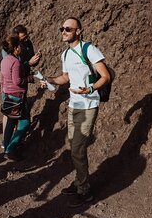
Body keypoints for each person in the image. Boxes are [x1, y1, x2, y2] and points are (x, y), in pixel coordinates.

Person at [41, 17, 111, 207]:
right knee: (74, 148)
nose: (63, 31)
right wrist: (49, 80)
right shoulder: (65, 54)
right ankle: (80, 181)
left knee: (78, 149)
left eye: (68, 29)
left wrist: (89, 89)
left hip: (89, 106)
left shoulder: (88, 49)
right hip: (74, 105)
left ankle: (85, 191)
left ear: (78, 31)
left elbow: (106, 75)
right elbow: (66, 77)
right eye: (61, 28)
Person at [0, 24, 41, 145]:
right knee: (10, 115)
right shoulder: (7, 51)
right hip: (11, 88)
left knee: (14, 115)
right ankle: (9, 144)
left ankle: (9, 143)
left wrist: (34, 61)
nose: (26, 40)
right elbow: (10, 70)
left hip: (20, 85)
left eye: (27, 37)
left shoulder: (27, 45)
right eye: (23, 38)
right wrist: (28, 64)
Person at [0, 35, 33, 160]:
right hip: (18, 96)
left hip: (8, 95)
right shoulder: (16, 62)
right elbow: (17, 81)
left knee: (10, 122)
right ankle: (10, 150)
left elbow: (2, 78)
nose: (21, 47)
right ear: (15, 48)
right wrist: (30, 78)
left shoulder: (4, 60)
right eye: (19, 45)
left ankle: (6, 146)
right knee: (25, 123)